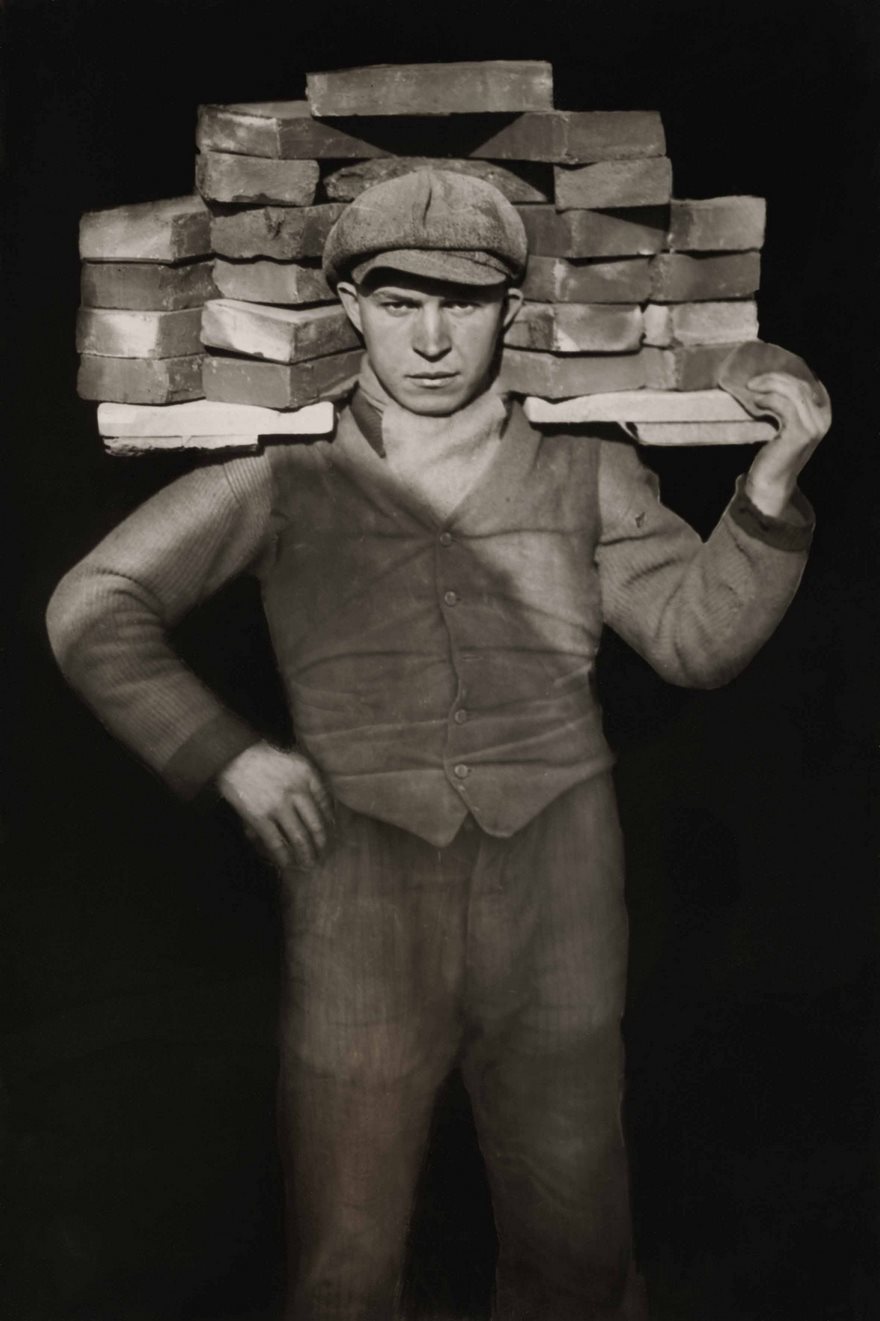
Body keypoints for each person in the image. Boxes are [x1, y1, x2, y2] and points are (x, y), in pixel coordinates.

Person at [46, 169, 831, 1321]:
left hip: (556, 880)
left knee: (575, 1251)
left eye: (461, 304)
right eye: (398, 300)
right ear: (350, 307)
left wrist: (768, 491)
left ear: (508, 311)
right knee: (344, 1264)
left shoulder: (586, 468)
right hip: (357, 884)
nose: (429, 337)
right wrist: (228, 754)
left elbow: (694, 641)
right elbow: (93, 603)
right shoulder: (280, 473)